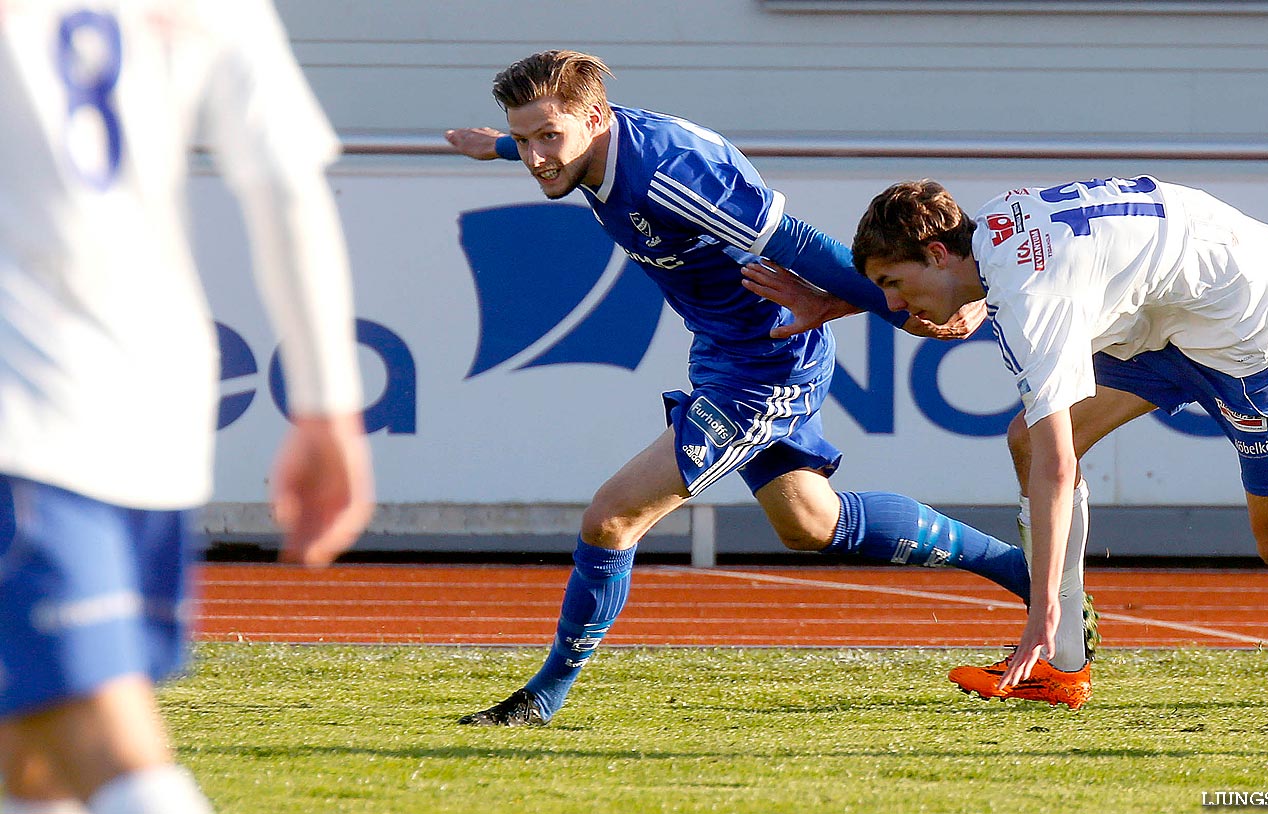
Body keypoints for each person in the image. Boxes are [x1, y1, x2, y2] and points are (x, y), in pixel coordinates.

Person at [443, 50, 1047, 727]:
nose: (535, 159)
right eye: (522, 140)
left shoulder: (668, 175)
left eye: (545, 137)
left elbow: (800, 244)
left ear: (596, 118)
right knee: (810, 525)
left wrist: (907, 309)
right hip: (727, 352)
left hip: (766, 365)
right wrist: (492, 145)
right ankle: (1024, 575)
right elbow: (550, 143)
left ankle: (542, 696)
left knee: (610, 517)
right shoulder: (583, 145)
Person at [827, 176, 1268, 727]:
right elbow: (1057, 273)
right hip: (1172, 322)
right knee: (1027, 435)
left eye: (892, 283)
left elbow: (1056, 466)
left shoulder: (1028, 297)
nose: (892, 304)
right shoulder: (991, 229)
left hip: (1260, 340)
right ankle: (1063, 666)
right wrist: (831, 302)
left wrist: (1039, 603)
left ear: (938, 252)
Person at [0, 2, 375, 812]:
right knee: (30, 754)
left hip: (21, 403)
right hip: (151, 406)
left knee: (98, 730)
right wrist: (327, 406)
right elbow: (285, 183)